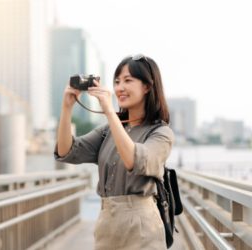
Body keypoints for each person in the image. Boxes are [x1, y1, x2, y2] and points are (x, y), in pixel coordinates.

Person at [54, 54, 174, 250]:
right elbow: (67, 151)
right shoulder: (108, 131)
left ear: (147, 87)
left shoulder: (161, 133)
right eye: (117, 82)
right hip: (107, 223)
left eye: (128, 80)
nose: (119, 88)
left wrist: (110, 111)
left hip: (142, 225)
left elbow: (134, 160)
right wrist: (66, 108)